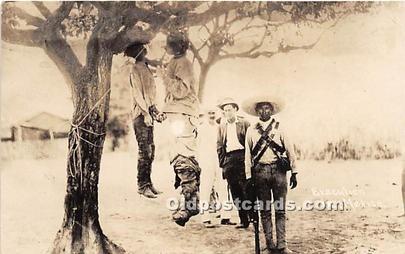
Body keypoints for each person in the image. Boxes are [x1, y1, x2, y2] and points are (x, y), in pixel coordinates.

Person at [243, 95, 298, 254]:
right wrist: (248, 176)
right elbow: (248, 155)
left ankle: (282, 244)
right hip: (259, 173)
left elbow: (290, 150)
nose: (264, 111)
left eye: (267, 108)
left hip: (279, 172)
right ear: (256, 111)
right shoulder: (251, 130)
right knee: (265, 211)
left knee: (280, 210)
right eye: (261, 108)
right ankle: (269, 245)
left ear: (272, 110)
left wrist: (294, 172)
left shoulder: (280, 128)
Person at [156, 32, 201, 226]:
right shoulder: (177, 62)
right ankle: (190, 201)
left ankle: (190, 205)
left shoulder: (183, 63)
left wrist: (164, 77)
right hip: (177, 113)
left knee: (184, 159)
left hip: (183, 114)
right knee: (177, 159)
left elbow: (182, 91)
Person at [124, 42, 165, 199]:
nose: (146, 51)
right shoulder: (135, 69)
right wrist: (146, 114)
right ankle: (142, 186)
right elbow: (138, 95)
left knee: (151, 150)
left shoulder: (146, 67)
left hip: (147, 113)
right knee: (145, 150)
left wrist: (155, 112)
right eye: (143, 50)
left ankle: (148, 182)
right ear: (140, 52)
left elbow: (149, 96)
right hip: (140, 116)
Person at [217, 98, 251, 229]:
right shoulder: (222, 125)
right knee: (235, 192)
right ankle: (243, 220)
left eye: (230, 110)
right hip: (229, 160)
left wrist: (250, 161)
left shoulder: (244, 123)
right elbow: (219, 145)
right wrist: (223, 163)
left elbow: (251, 142)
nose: (227, 113)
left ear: (235, 110)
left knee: (247, 190)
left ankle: (253, 217)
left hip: (243, 157)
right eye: (225, 111)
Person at [198, 108, 235, 228]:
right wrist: (200, 162)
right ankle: (205, 218)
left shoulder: (220, 127)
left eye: (213, 113)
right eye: (209, 113)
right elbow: (198, 146)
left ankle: (225, 217)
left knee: (223, 187)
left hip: (219, 160)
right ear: (205, 114)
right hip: (206, 160)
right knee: (206, 188)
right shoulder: (201, 128)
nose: (212, 115)